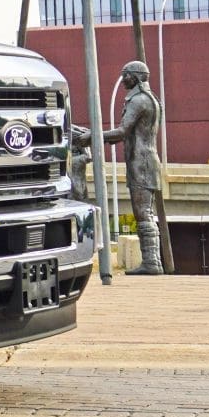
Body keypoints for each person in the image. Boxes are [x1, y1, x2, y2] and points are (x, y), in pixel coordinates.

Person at [69, 61, 166, 275]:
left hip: (141, 162)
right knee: (144, 212)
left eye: (126, 76)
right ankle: (153, 261)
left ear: (137, 77)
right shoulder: (149, 99)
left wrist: (92, 137)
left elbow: (122, 131)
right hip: (143, 160)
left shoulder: (139, 100)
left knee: (143, 213)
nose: (123, 80)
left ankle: (151, 263)